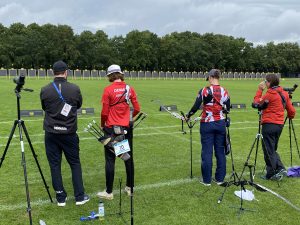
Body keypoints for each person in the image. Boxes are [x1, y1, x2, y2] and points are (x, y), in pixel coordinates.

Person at [40, 60, 89, 206]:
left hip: (51, 133)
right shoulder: (74, 88)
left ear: (53, 72)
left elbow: (44, 107)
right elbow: (78, 104)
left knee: (55, 165)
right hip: (69, 133)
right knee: (74, 163)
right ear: (66, 72)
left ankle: (61, 197)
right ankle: (79, 196)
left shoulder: (45, 89)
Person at [97, 64, 140, 200]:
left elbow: (104, 112)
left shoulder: (108, 90)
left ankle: (109, 192)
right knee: (127, 157)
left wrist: (102, 125)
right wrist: (129, 119)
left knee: (110, 160)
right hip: (126, 128)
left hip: (111, 129)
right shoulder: (129, 89)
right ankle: (130, 188)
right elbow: (137, 108)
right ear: (120, 74)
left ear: (110, 75)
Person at [186, 69, 230, 186]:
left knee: (207, 151)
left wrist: (188, 116)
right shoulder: (224, 91)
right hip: (220, 123)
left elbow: (196, 106)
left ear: (211, 77)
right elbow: (228, 108)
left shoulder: (205, 90)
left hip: (207, 123)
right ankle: (220, 179)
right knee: (220, 151)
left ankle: (206, 180)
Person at [253, 74, 295, 180]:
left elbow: (256, 102)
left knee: (268, 149)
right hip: (279, 125)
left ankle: (271, 173)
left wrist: (259, 90)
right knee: (272, 148)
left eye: (266, 81)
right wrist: (290, 116)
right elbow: (291, 110)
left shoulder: (269, 94)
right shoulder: (284, 93)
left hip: (269, 124)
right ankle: (280, 168)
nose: (265, 83)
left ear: (269, 83)